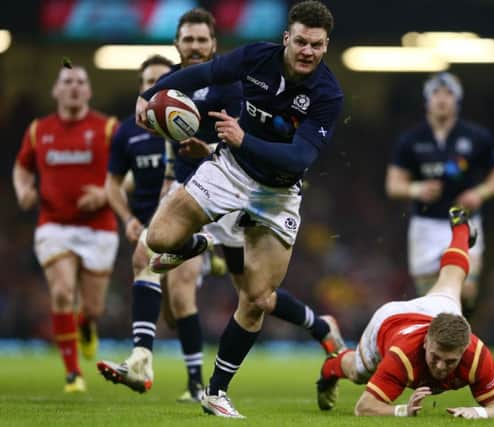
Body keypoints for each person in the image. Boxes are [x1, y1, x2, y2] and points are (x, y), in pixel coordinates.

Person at [100, 6, 345, 407]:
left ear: (325, 46)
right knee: (157, 240)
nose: (307, 51)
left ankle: (215, 392)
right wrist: (149, 95)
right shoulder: (256, 57)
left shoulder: (327, 95)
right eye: (300, 41)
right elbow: (203, 74)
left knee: (258, 298)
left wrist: (242, 139)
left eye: (316, 45)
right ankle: (194, 244)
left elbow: (300, 158)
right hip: (229, 171)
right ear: (287, 37)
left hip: (278, 193)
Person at [315, 207, 494, 419]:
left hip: (436, 312)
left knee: (452, 277)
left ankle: (461, 230)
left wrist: (478, 412)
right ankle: (330, 367)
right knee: (358, 372)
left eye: (450, 361)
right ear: (426, 343)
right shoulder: (403, 356)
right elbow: (363, 408)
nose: (440, 367)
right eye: (436, 357)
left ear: (464, 350)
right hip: (391, 320)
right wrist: (403, 410)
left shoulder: (476, 357)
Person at [12, 65, 119, 392]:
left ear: (88, 91)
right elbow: (21, 166)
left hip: (99, 226)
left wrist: (104, 193)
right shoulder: (38, 130)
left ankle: (87, 324)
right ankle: (73, 373)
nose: (74, 87)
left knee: (93, 307)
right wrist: (23, 189)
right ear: (56, 91)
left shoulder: (107, 129)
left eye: (80, 83)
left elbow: (126, 173)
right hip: (53, 224)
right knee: (61, 292)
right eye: (67, 82)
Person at [385, 72, 494, 314]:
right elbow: (393, 184)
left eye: (449, 93)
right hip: (426, 225)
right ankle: (435, 347)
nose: (442, 99)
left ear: (457, 100)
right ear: (426, 100)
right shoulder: (410, 140)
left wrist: (479, 193)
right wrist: (416, 188)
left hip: (463, 222)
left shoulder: (476, 137)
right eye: (436, 93)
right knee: (429, 296)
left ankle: (461, 341)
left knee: (466, 290)